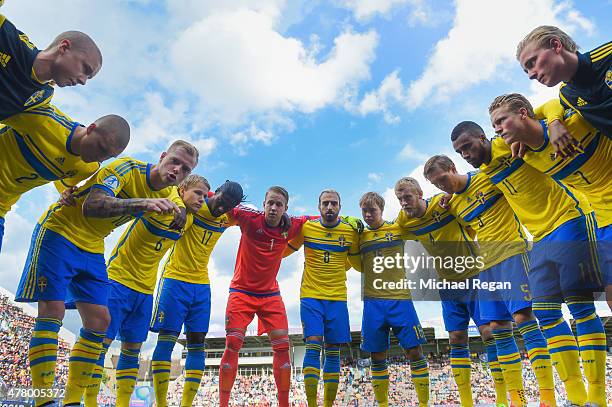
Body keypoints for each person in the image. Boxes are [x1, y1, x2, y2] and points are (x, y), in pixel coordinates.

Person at [15, 140, 198, 407]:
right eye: (174, 161)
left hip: (92, 246)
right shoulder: (126, 167)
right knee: (52, 311)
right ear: (162, 156)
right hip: (60, 231)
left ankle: (71, 401)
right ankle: (42, 400)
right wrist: (142, 203)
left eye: (184, 168)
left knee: (99, 322)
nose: (176, 170)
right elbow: (93, 205)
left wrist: (181, 211)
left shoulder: (171, 193)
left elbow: (181, 203)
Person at [452, 120, 605, 406]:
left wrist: (556, 124)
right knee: (545, 313)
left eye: (468, 147)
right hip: (540, 238)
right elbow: (466, 192)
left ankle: (596, 397)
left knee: (580, 306)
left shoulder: (509, 142)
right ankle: (576, 398)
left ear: (483, 138)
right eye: (460, 152)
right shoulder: (483, 173)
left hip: (569, 219)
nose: (466, 155)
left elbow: (545, 112)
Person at [424, 155, 556, 407]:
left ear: (453, 167)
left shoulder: (486, 177)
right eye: (437, 185)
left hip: (513, 253)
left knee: (523, 318)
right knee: (497, 327)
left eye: (443, 179)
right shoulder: (453, 205)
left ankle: (547, 397)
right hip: (486, 266)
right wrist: (447, 197)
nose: (442, 187)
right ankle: (517, 400)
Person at [84, 174, 209, 407]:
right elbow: (167, 188)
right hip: (119, 279)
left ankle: (122, 403)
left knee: (133, 348)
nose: (202, 199)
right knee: (102, 341)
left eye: (204, 195)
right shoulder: (163, 199)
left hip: (146, 288)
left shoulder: (190, 221)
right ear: (182, 190)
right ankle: (88, 401)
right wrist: (178, 203)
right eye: (197, 193)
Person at [393, 177, 501, 407]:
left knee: (488, 332)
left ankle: (502, 398)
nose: (403, 203)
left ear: (420, 193)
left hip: (474, 277)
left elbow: (469, 218)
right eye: (400, 199)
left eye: (407, 197)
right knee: (456, 337)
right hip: (447, 285)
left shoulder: (444, 205)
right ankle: (466, 402)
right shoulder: (404, 221)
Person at [150, 180, 245, 407]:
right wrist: (181, 207)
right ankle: (161, 403)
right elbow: (174, 189)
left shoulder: (227, 217)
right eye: (222, 201)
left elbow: (252, 214)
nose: (222, 208)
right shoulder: (195, 203)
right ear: (217, 192)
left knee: (197, 342)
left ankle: (186, 404)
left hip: (201, 284)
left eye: (229, 206)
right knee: (167, 338)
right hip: (175, 279)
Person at [218, 186, 307, 407]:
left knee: (283, 346)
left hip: (270, 294)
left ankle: (284, 403)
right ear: (264, 204)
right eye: (270, 203)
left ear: (286, 208)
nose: (274, 208)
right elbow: (222, 204)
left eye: (279, 204)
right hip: (241, 291)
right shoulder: (249, 218)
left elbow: (317, 219)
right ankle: (223, 403)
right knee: (233, 343)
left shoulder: (293, 225)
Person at [0, 105, 130, 251]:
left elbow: (63, 185)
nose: (101, 157)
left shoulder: (88, 167)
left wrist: (65, 192)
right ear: (91, 128)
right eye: (101, 147)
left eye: (108, 156)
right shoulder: (43, 120)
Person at [285, 190, 360, 407]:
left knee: (334, 350)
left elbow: (357, 264)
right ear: (318, 207)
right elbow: (283, 251)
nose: (329, 207)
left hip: (337, 298)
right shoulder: (307, 228)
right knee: (313, 345)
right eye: (325, 203)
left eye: (333, 203)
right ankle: (311, 404)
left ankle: (328, 404)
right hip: (311, 296)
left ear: (340, 207)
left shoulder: (350, 232)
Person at [357, 192, 429, 407]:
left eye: (373, 211)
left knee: (414, 351)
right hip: (372, 303)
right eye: (364, 211)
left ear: (382, 209)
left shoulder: (398, 228)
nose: (368, 215)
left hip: (400, 299)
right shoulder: (359, 236)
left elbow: (420, 218)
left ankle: (425, 403)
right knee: (377, 355)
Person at [516, 26, 611, 153]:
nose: (530, 75)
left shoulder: (608, 57)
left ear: (556, 45)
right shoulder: (567, 96)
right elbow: (549, 108)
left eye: (532, 63)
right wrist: (551, 124)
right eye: (526, 71)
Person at [0, 13, 102, 121]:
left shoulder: (42, 100)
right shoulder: (7, 37)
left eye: (88, 78)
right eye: (85, 69)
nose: (83, 81)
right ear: (64, 47)